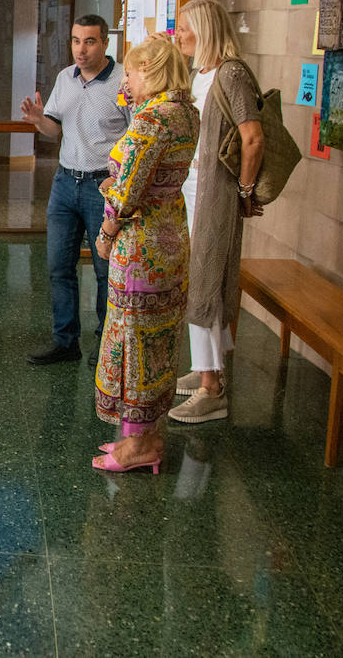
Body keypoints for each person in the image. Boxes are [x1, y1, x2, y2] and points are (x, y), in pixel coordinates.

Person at [91, 34, 199, 473]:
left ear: (151, 74)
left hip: (141, 245)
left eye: (133, 72)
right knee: (160, 340)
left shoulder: (153, 120)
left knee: (134, 339)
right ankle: (147, 436)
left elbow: (128, 189)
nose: (126, 80)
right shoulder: (184, 113)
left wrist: (105, 230)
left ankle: (139, 447)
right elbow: (127, 99)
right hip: (172, 237)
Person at [170, 0, 264, 425]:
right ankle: (204, 369)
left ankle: (214, 389)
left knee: (206, 281)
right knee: (197, 279)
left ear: (205, 29)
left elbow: (253, 138)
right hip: (193, 189)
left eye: (184, 28)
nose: (179, 34)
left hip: (216, 193)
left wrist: (244, 189)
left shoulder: (232, 73)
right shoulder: (200, 73)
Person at [20, 13, 131, 365]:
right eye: (75, 41)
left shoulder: (124, 81)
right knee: (58, 265)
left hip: (104, 186)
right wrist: (40, 119)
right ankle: (66, 342)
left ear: (105, 43)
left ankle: (105, 344)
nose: (80, 50)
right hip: (66, 182)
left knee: (104, 270)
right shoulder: (65, 78)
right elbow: (55, 129)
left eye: (90, 41)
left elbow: (135, 137)